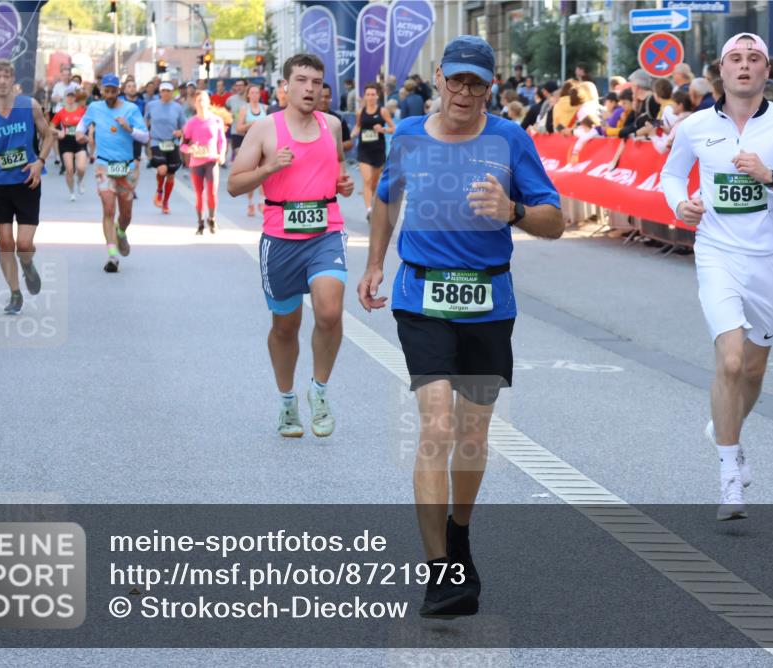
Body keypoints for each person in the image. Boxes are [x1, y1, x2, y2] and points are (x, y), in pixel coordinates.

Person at [358, 35, 562, 617]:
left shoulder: (510, 139)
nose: (465, 92)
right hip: (421, 296)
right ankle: (441, 570)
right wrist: (375, 262)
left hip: (489, 303)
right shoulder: (407, 136)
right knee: (439, 426)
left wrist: (515, 211)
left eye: (477, 82)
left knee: (472, 436)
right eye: (456, 80)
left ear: (489, 85)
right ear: (439, 77)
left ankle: (460, 532)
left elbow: (557, 221)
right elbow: (386, 203)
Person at [661, 33, 773, 521]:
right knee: (729, 362)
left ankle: (725, 426)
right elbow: (671, 175)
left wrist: (771, 178)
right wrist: (680, 205)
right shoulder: (695, 127)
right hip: (716, 254)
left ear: (766, 70)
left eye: (754, 59)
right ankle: (731, 472)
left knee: (752, 371)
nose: (745, 66)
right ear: (721, 71)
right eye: (736, 59)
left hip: (765, 260)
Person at [227, 53, 354, 439]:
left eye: (316, 82)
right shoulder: (265, 129)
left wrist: (341, 184)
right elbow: (234, 184)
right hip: (280, 239)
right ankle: (286, 402)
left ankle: (319, 392)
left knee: (330, 313)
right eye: (301, 80)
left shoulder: (331, 125)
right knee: (286, 326)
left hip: (325, 232)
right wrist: (269, 169)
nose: (310, 88)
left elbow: (338, 169)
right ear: (286, 86)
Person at [0, 59, 54, 314]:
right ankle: (15, 293)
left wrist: (40, 161)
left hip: (28, 181)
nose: (2, 81)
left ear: (13, 79)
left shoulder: (28, 105)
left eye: (6, 76)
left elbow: (48, 134)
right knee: (6, 243)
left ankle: (27, 265)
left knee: (24, 245)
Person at [74, 74, 149, 273]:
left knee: (125, 214)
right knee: (108, 208)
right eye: (106, 91)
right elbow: (82, 124)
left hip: (126, 166)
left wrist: (129, 128)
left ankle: (121, 231)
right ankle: (112, 255)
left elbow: (145, 136)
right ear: (102, 91)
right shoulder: (94, 108)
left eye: (113, 91)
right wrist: (80, 134)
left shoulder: (131, 109)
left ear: (119, 91)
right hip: (104, 165)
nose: (109, 94)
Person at [181, 91, 227, 234]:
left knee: (212, 193)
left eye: (203, 100)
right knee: (199, 194)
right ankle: (200, 222)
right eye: (198, 100)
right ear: (195, 103)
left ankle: (212, 219)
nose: (201, 103)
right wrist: (190, 149)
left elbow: (222, 140)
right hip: (196, 162)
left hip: (212, 160)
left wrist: (222, 154)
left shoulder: (217, 120)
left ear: (208, 102)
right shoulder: (190, 123)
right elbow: (183, 145)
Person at [352, 83, 395, 221]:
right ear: (364, 96)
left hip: (378, 150)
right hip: (364, 149)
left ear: (377, 96)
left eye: (373, 94)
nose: (370, 97)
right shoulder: (360, 111)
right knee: (367, 180)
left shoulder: (382, 111)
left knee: (375, 183)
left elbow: (393, 128)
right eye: (368, 94)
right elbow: (358, 126)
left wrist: (383, 130)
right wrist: (352, 134)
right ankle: (370, 210)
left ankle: (374, 206)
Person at [145, 81, 185, 215]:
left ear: (172, 92)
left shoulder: (177, 107)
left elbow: (184, 126)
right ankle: (159, 191)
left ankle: (166, 202)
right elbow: (145, 121)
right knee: (162, 169)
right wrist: (145, 135)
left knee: (171, 174)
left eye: (168, 91)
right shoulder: (151, 105)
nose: (166, 93)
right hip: (157, 141)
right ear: (160, 92)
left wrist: (181, 132)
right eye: (163, 91)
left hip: (172, 142)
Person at [50, 84, 89, 199]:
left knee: (81, 168)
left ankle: (80, 181)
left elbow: (89, 124)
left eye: (72, 96)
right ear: (65, 98)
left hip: (79, 141)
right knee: (69, 169)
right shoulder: (61, 113)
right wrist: (58, 132)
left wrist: (87, 134)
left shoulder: (82, 111)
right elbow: (50, 127)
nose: (70, 99)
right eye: (68, 96)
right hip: (66, 142)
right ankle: (72, 192)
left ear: (75, 98)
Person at [236, 84, 269, 216]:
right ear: (248, 95)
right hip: (250, 145)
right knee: (251, 176)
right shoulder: (244, 109)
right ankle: (250, 203)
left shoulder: (265, 108)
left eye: (257, 92)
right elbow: (238, 128)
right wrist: (251, 125)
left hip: (264, 145)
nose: (255, 95)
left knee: (263, 174)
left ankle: (261, 202)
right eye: (252, 93)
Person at [123, 78, 147, 192]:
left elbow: (146, 118)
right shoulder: (120, 102)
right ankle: (125, 184)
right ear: (124, 89)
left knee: (136, 164)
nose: (132, 88)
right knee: (125, 163)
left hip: (136, 135)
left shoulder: (142, 103)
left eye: (133, 86)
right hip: (123, 136)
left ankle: (132, 189)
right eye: (129, 86)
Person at [225, 79, 247, 163]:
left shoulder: (250, 98)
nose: (239, 87)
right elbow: (225, 111)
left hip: (250, 132)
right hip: (236, 132)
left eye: (241, 85)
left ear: (245, 87)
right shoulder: (230, 100)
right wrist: (229, 115)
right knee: (240, 156)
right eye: (237, 85)